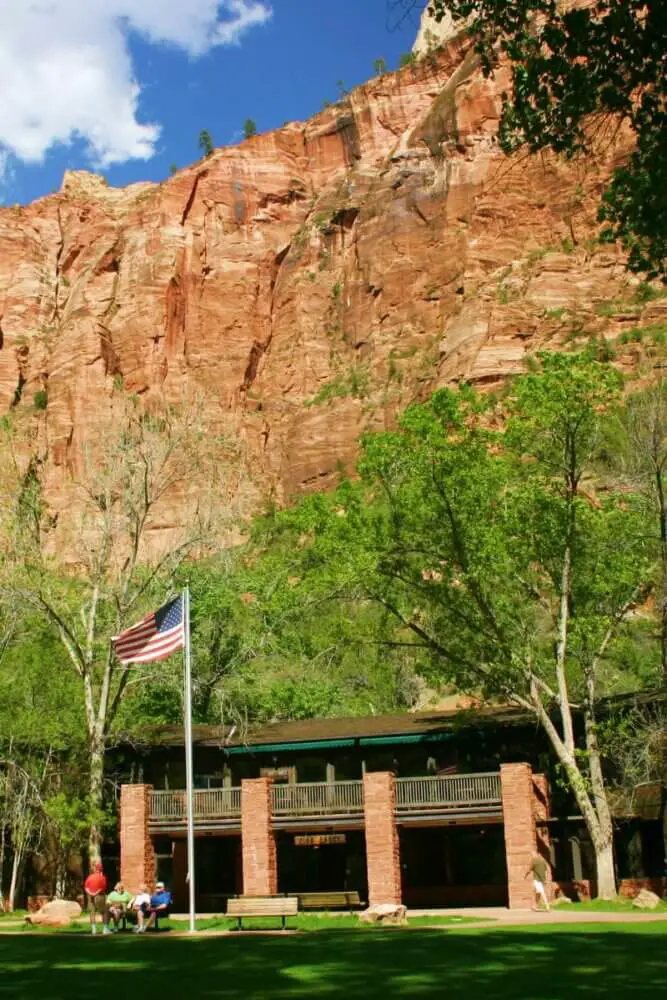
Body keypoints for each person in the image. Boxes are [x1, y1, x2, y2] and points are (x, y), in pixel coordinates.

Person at [84, 861, 108, 935]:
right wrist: (95, 893)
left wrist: (91, 893)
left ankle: (94, 930)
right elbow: (102, 888)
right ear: (101, 869)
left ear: (95, 869)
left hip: (90, 896)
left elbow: (86, 887)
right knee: (104, 912)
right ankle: (105, 929)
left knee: (92, 912)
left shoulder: (89, 877)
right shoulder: (102, 878)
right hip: (99, 896)